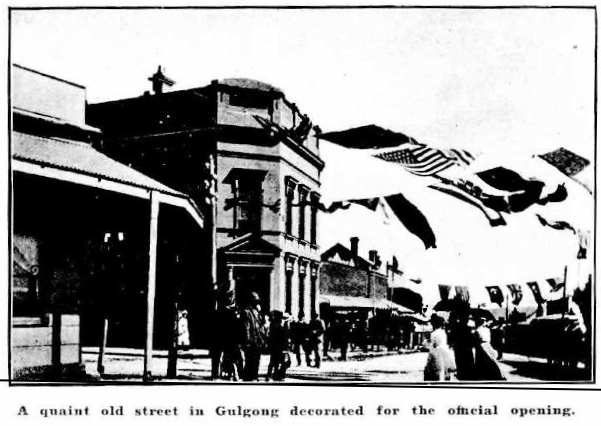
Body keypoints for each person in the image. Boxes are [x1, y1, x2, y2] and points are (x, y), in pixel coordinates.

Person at [240, 292, 267, 381]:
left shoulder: (258, 312)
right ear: (251, 301)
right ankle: (248, 376)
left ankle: (254, 375)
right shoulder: (246, 312)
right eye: (255, 301)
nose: (257, 303)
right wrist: (247, 340)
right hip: (251, 340)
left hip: (258, 340)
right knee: (250, 359)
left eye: (257, 301)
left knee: (257, 359)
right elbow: (246, 327)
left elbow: (261, 325)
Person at [424, 314, 456, 381]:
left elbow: (434, 345)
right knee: (444, 368)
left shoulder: (434, 333)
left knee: (437, 368)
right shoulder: (443, 332)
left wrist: (428, 342)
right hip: (445, 351)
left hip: (437, 352)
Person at [473, 316, 506, 381]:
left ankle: (496, 374)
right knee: (485, 359)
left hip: (486, 345)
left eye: (484, 321)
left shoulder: (485, 330)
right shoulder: (478, 330)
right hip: (481, 346)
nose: (484, 322)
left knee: (491, 359)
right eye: (483, 321)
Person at [448, 309, 476, 380]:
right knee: (468, 363)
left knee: (460, 363)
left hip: (459, 348)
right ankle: (468, 376)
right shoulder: (469, 328)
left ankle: (461, 375)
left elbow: (451, 337)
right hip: (467, 349)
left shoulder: (455, 327)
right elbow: (472, 341)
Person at [266, 311, 291, 381]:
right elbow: (284, 336)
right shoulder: (278, 325)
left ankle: (271, 375)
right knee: (283, 362)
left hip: (276, 346)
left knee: (274, 361)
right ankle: (276, 375)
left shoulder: (274, 324)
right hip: (279, 346)